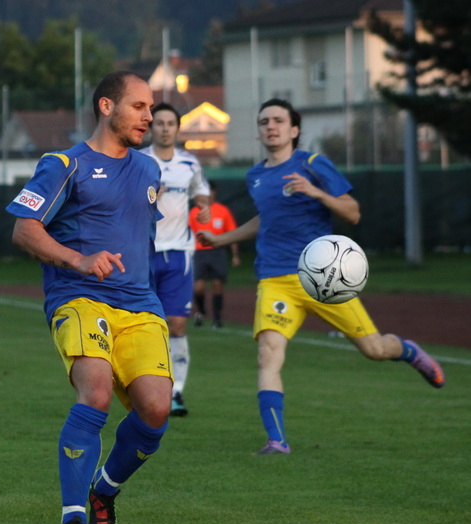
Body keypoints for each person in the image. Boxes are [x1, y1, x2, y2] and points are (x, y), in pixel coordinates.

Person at [198, 98, 445, 455]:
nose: (271, 126)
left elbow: (353, 212)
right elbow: (266, 219)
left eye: (278, 120)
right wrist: (221, 239)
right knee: (268, 354)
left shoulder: (313, 164)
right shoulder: (256, 176)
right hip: (275, 278)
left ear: (294, 130)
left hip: (322, 277)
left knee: (375, 349)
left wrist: (315, 191)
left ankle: (408, 351)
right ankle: (277, 440)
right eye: (264, 121)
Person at [6, 71, 173, 524]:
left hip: (140, 305)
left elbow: (139, 237)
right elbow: (24, 229)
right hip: (79, 298)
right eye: (139, 106)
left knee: (156, 410)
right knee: (96, 393)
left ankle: (104, 491)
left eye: (151, 107)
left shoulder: (149, 170)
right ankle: (73, 521)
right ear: (106, 106)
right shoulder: (64, 164)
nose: (149, 116)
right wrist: (78, 259)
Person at [141, 102, 210, 417]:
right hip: (144, 252)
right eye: (160, 123)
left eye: (170, 123)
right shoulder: (140, 161)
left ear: (178, 129)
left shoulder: (190, 163)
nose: (165, 128)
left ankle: (176, 392)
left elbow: (200, 190)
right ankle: (144, 388)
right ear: (151, 127)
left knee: (177, 323)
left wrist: (203, 206)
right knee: (144, 323)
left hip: (180, 253)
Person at [189, 180, 241, 328]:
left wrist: (235, 255)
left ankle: (217, 318)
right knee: (198, 287)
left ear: (214, 192)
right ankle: (201, 311)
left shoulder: (223, 211)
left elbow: (232, 232)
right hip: (199, 252)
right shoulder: (194, 212)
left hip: (217, 251)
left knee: (218, 284)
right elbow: (188, 234)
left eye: (209, 191)